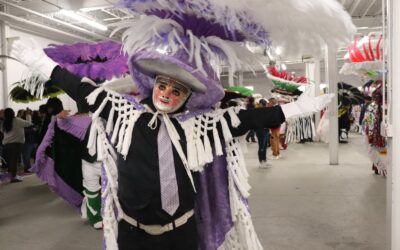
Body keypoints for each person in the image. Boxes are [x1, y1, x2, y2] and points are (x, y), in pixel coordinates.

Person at [11, 13, 334, 250]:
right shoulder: (124, 116)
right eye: (162, 85)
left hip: (181, 235)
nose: (166, 93)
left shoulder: (200, 128)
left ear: (187, 97)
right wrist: (36, 62)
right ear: (153, 85)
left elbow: (249, 121)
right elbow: (79, 89)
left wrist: (299, 108)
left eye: (176, 90)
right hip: (132, 235)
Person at [0, 108, 32, 182]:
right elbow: (29, 124)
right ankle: (13, 177)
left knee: (10, 161)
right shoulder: (17, 120)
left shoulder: (4, 122)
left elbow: (2, 130)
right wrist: (28, 115)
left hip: (7, 144)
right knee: (14, 161)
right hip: (16, 144)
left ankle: (12, 175)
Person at [255, 99, 271, 168]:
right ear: (260, 104)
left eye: (265, 104)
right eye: (263, 103)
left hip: (266, 130)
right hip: (260, 131)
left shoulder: (266, 110)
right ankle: (261, 162)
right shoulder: (257, 111)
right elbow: (256, 121)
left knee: (265, 146)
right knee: (261, 147)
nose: (264, 105)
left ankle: (264, 160)